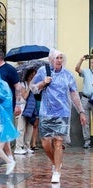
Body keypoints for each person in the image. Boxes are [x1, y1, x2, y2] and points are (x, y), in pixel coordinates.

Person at [30, 48, 86, 183]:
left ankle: (57, 172)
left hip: (62, 112)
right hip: (46, 112)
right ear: (51, 59)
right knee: (46, 144)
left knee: (59, 142)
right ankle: (56, 163)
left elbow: (73, 94)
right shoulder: (43, 71)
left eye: (61, 58)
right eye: (57, 58)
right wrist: (43, 82)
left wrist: (81, 111)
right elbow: (33, 88)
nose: (59, 60)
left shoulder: (67, 75)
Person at [0, 48, 22, 163]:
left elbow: (17, 87)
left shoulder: (10, 69)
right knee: (2, 131)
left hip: (6, 105)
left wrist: (17, 104)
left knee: (3, 130)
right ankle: (9, 157)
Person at [14, 68, 36, 155]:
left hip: (30, 109)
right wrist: (30, 87)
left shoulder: (33, 85)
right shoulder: (22, 84)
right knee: (21, 128)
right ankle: (18, 147)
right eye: (33, 74)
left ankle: (27, 146)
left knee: (30, 127)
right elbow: (25, 96)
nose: (34, 76)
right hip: (22, 108)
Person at [75, 54, 93, 149]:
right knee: (85, 121)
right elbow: (77, 69)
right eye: (92, 62)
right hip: (86, 99)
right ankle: (87, 141)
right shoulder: (86, 71)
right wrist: (81, 60)